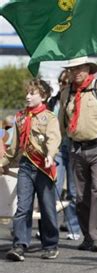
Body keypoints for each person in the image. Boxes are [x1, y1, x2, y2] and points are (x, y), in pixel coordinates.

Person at [0, 79, 61, 261]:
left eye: (32, 93)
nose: (27, 96)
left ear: (43, 96)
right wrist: (3, 162)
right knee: (23, 207)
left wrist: (50, 154)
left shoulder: (49, 117)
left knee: (47, 208)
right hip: (26, 166)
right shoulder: (20, 117)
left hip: (43, 166)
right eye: (27, 93)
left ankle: (50, 244)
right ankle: (19, 245)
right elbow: (14, 146)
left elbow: (53, 138)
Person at [58, 56, 97, 252]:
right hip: (76, 148)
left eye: (81, 68)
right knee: (80, 196)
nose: (77, 71)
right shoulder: (66, 93)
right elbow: (61, 123)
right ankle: (87, 236)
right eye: (73, 69)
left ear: (88, 68)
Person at [49, 70, 81, 240]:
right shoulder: (52, 101)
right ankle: (50, 227)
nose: (63, 85)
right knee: (53, 187)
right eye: (61, 82)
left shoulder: (76, 99)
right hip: (57, 149)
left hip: (73, 146)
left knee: (73, 191)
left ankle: (73, 227)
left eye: (66, 82)